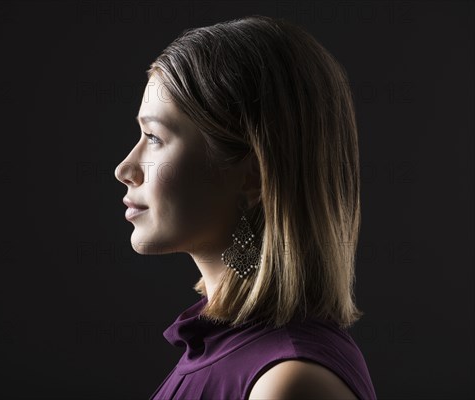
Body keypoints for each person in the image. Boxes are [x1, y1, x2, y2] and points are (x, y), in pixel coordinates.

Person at [114, 15, 377, 400]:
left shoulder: (287, 382)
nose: (125, 169)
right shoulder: (223, 349)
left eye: (154, 137)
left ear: (253, 176)